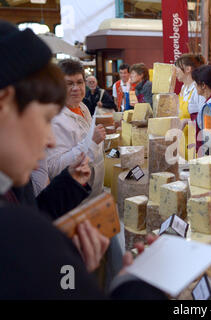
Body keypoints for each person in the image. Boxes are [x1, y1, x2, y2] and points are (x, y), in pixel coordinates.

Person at [0, 20, 167, 299]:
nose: (49, 139)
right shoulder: (13, 231)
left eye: (79, 83)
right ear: (5, 103)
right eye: (43, 119)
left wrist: (66, 265)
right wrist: (135, 287)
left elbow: (37, 215)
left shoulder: (14, 190)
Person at [44, 59, 105, 199]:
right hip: (74, 199)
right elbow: (53, 168)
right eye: (69, 83)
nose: (76, 88)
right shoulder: (55, 119)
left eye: (79, 82)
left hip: (93, 193)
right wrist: (91, 143)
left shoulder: (83, 107)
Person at [175, 53, 206, 158]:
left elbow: (204, 118)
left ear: (188, 69)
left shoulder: (198, 90)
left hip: (194, 143)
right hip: (183, 141)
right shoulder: (183, 87)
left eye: (177, 67)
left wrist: (186, 121)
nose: (175, 71)